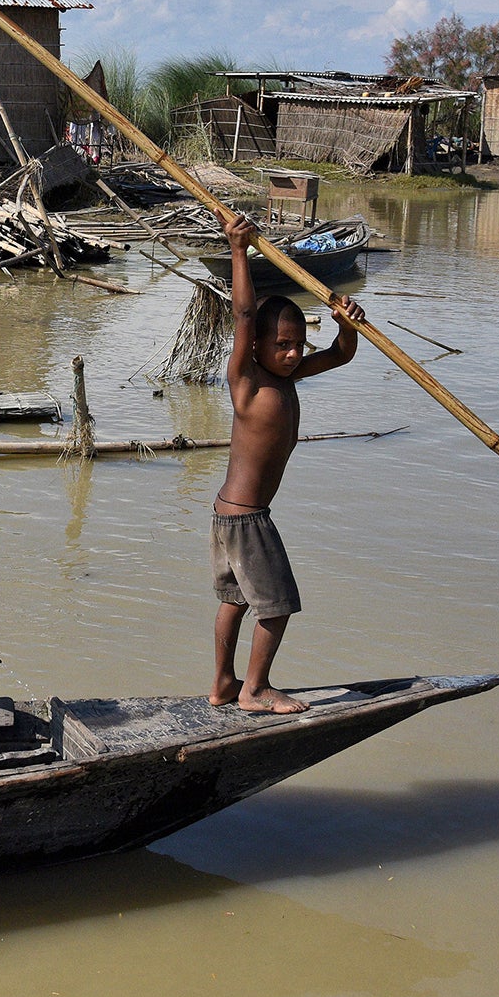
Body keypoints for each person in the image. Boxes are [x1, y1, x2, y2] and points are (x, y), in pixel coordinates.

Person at [212, 211, 364, 715]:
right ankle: (255, 690)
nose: (294, 353)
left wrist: (347, 321)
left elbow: (341, 355)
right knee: (276, 608)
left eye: (299, 344)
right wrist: (239, 251)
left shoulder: (288, 377)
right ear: (257, 346)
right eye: (281, 345)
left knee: (234, 601)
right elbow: (242, 314)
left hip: (231, 515)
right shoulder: (247, 381)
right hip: (248, 517)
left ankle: (223, 685)